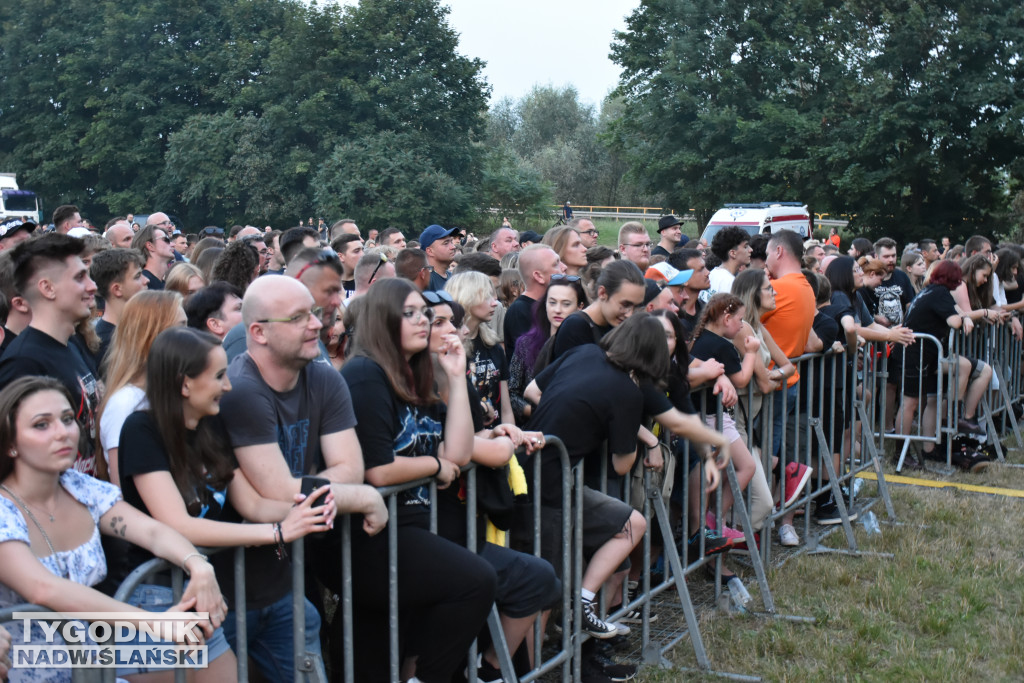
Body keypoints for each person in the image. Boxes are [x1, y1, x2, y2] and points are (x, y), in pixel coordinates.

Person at [118, 327, 332, 681]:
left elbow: (252, 504)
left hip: (208, 590)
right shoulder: (142, 430)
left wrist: (308, 508)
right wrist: (277, 532)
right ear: (184, 384)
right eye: (219, 376)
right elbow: (178, 524)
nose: (228, 386)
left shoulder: (210, 423)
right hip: (159, 596)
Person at [0, 376, 235, 683]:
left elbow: (152, 532)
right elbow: (43, 588)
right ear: (10, 445)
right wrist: (155, 623)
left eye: (68, 419)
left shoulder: (79, 488)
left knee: (208, 650)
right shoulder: (4, 510)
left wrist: (199, 567)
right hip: (25, 670)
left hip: (91, 667)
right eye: (42, 425)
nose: (63, 433)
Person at [340, 278, 497, 682]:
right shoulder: (364, 373)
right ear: (382, 320)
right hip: (370, 534)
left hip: (410, 526)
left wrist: (457, 377)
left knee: (377, 652)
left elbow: (459, 454)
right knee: (475, 580)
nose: (422, 321)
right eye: (408, 313)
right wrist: (433, 466)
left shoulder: (415, 375)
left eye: (423, 314)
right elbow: (378, 468)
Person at [522, 314, 662, 639]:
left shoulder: (584, 352)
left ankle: (583, 603)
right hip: (549, 488)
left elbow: (531, 390)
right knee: (547, 589)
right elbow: (622, 465)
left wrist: (573, 413)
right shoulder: (628, 392)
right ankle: (525, 670)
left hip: (535, 468)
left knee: (632, 524)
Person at [0, 234, 102, 476]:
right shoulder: (23, 361)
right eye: (79, 277)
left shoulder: (72, 343)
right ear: (47, 288)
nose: (93, 286)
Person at [689, 294, 774, 535]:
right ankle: (713, 518)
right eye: (739, 320)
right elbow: (742, 379)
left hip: (703, 415)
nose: (741, 325)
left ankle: (710, 519)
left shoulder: (699, 339)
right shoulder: (722, 346)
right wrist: (750, 352)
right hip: (714, 417)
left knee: (714, 472)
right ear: (726, 319)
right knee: (746, 466)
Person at [900, 261, 992, 471]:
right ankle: (954, 416)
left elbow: (959, 313)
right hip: (918, 355)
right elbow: (955, 321)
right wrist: (964, 319)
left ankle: (930, 447)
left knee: (932, 399)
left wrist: (966, 316)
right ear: (953, 279)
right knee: (911, 402)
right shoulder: (939, 292)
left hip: (926, 355)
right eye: (958, 279)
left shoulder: (932, 291)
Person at [97, 291, 186, 487]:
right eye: (181, 328)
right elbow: (123, 492)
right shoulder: (125, 404)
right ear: (152, 335)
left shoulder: (164, 391)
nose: (191, 336)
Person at [508, 276, 587, 424]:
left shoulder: (587, 348)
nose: (557, 310)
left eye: (566, 304)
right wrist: (536, 411)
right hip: (533, 427)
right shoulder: (526, 344)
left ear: (580, 306)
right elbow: (512, 393)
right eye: (552, 302)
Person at [446, 271, 514, 429]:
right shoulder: (449, 350)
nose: (495, 302)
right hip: (465, 442)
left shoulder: (494, 346)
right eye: (487, 296)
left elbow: (506, 409)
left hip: (498, 440)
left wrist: (511, 440)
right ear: (467, 299)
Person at [89, 247, 148, 363]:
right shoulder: (106, 343)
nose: (146, 280)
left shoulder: (135, 329)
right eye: (137, 276)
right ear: (117, 289)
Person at [708, 226, 752, 297]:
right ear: (733, 253)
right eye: (745, 246)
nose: (751, 250)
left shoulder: (711, 274)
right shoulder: (730, 283)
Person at [131, 224, 175, 290]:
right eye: (166, 239)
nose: (173, 244)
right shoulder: (143, 285)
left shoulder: (164, 284)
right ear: (150, 246)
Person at [420, 225, 461, 291]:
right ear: (430, 251)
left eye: (451, 242)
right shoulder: (425, 279)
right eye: (446, 243)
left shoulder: (452, 276)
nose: (453, 247)